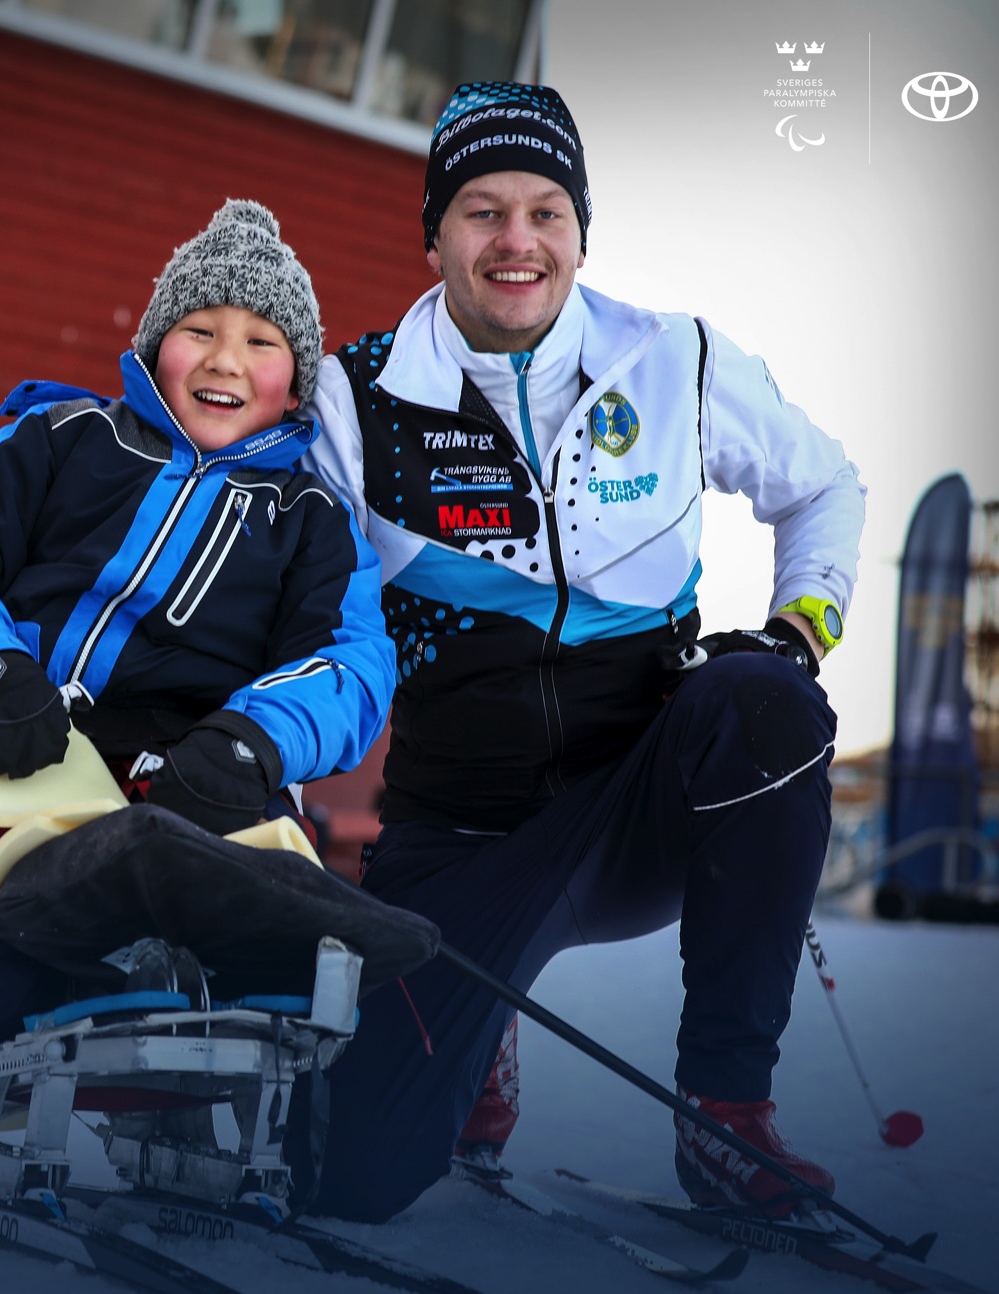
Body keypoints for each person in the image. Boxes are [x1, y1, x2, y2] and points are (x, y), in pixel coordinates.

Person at [301, 82, 866, 1222]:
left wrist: (798, 626)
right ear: (433, 234)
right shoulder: (354, 396)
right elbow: (304, 609)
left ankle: (724, 1110)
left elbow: (822, 486)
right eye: (481, 211)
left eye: (544, 211)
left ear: (578, 230)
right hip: (462, 832)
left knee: (762, 702)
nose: (516, 241)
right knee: (352, 1174)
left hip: (639, 804)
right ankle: (475, 1038)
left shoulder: (674, 360)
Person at [0, 199, 398, 1055]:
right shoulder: (56, 440)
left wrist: (251, 742)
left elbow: (353, 662)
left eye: (262, 342)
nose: (226, 359)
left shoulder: (312, 522)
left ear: (294, 382)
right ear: (156, 345)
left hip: (189, 792)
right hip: (13, 759)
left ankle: (228, 1051)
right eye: (200, 329)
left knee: (265, 955)